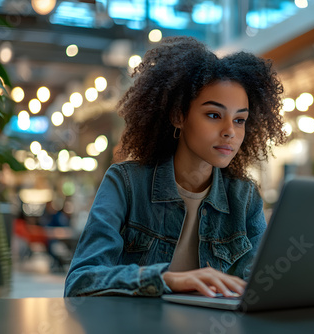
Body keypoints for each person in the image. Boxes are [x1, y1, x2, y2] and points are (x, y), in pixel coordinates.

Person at [64, 36, 286, 298]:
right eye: (214, 115)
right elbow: (80, 281)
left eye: (240, 120)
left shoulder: (244, 197)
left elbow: (262, 286)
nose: (230, 132)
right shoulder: (126, 184)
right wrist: (166, 280)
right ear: (178, 116)